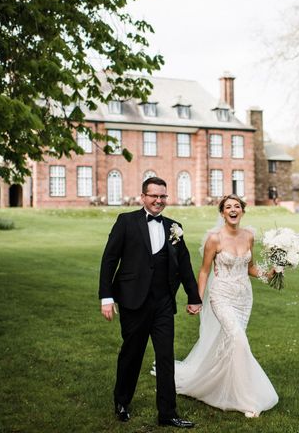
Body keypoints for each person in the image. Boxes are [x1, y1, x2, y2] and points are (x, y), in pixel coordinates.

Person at [99, 177, 202, 428]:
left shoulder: (174, 227)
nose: (158, 201)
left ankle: (167, 413)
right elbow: (109, 259)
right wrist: (106, 296)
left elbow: (185, 265)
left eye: (163, 196)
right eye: (154, 196)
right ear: (143, 196)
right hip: (133, 301)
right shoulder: (126, 221)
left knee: (166, 357)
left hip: (163, 303)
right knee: (132, 354)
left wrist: (193, 297)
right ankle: (122, 402)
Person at [173, 194, 279, 418]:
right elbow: (204, 271)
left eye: (237, 206)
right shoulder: (214, 239)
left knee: (231, 343)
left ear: (242, 211)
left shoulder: (249, 236)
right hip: (221, 295)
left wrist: (271, 273)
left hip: (244, 298)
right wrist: (197, 299)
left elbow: (250, 267)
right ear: (222, 213)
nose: (233, 210)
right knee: (239, 340)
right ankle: (247, 398)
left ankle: (217, 383)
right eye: (228, 207)